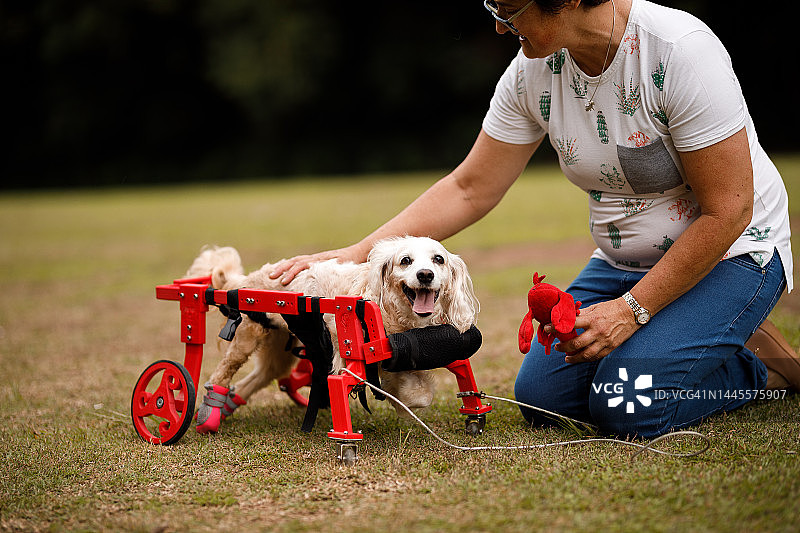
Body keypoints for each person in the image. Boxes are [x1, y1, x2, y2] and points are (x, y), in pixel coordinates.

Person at [270, 0, 798, 438]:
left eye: (510, 8)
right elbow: (469, 187)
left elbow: (730, 208)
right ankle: (699, 334)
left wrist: (633, 310)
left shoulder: (680, 51)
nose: (500, 24)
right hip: (623, 258)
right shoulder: (534, 70)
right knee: (543, 399)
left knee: (627, 407)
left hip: (734, 252)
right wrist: (351, 254)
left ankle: (755, 368)